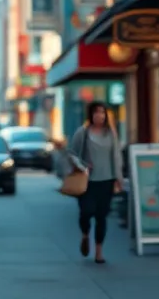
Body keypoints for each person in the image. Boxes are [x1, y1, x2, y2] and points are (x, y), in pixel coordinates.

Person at [67, 102, 123, 265]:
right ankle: (85, 234)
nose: (100, 115)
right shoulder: (83, 132)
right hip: (87, 182)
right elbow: (72, 154)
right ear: (90, 115)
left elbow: (116, 156)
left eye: (102, 112)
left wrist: (118, 177)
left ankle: (99, 252)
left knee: (101, 216)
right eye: (96, 112)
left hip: (107, 180)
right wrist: (82, 166)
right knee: (86, 211)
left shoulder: (111, 133)